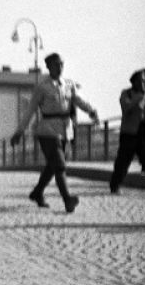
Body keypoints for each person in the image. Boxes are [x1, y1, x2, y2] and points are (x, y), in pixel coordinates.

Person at [10, 52, 99, 213]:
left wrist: (92, 111)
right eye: (56, 65)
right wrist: (19, 132)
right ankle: (67, 200)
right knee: (59, 165)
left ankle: (37, 193)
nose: (59, 68)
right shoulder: (42, 88)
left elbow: (78, 100)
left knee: (53, 165)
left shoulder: (68, 84)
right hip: (47, 130)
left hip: (66, 130)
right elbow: (30, 111)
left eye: (61, 64)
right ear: (48, 67)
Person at [109, 68, 145, 193]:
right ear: (133, 82)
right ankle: (115, 185)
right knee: (123, 162)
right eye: (140, 81)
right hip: (129, 133)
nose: (143, 84)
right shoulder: (126, 93)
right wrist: (140, 99)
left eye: (144, 81)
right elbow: (126, 108)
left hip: (143, 132)